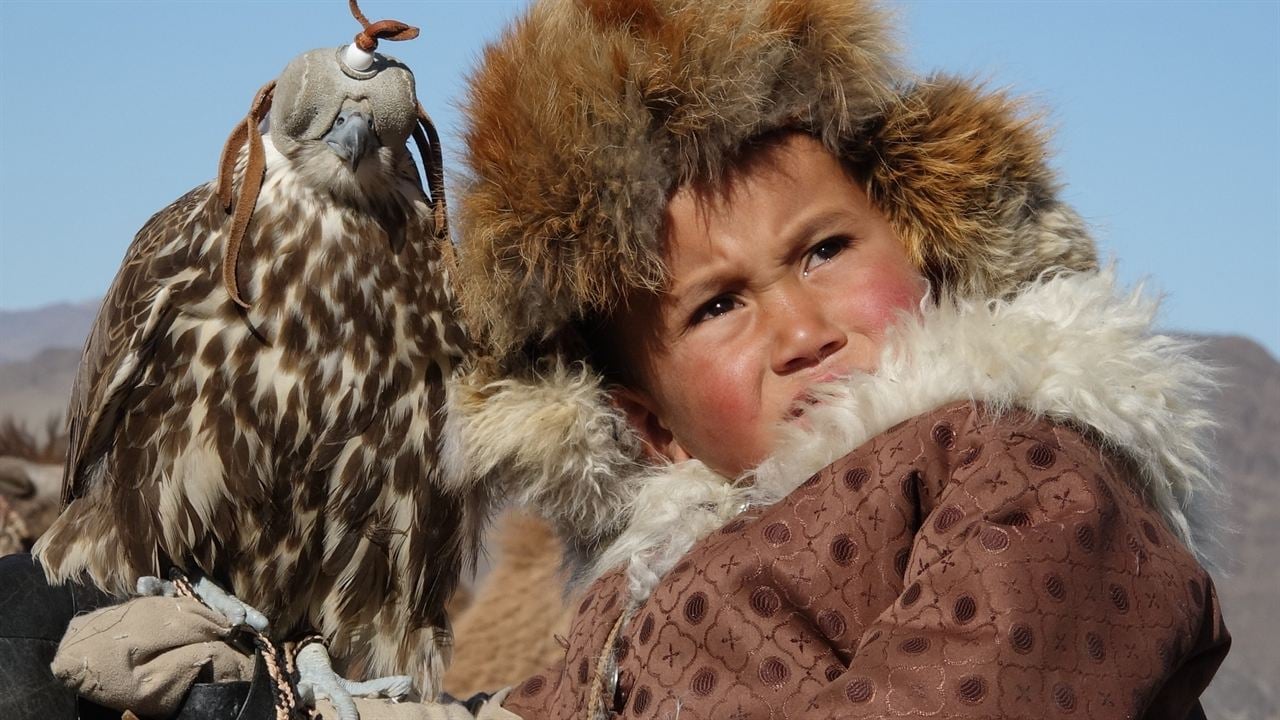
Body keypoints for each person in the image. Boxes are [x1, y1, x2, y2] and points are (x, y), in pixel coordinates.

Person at [9, 0, 1228, 718]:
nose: (798, 327)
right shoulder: (627, 598)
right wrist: (276, 703)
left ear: (930, 239)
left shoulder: (1026, 473)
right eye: (713, 308)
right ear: (640, 421)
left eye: (821, 248)